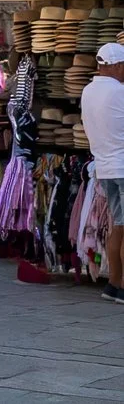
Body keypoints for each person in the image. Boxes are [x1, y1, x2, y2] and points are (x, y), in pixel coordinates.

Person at [83, 43, 124, 305]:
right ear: (118, 65)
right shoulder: (120, 92)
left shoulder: (88, 91)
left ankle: (113, 284)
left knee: (118, 226)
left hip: (106, 167)